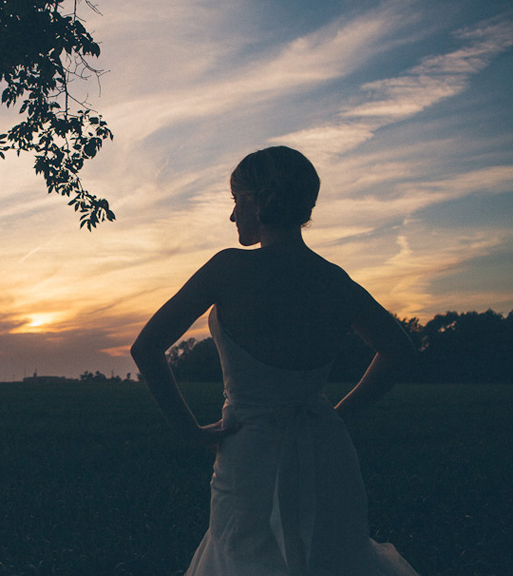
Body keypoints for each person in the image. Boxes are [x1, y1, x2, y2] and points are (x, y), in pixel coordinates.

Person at [130, 146, 420, 575]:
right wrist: (336, 416)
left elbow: (146, 347)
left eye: (235, 201)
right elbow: (399, 350)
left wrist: (190, 430)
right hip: (325, 451)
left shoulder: (227, 269)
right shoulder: (335, 280)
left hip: (248, 452)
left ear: (256, 200)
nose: (232, 216)